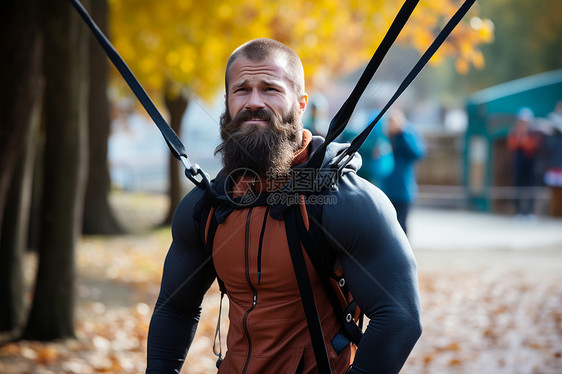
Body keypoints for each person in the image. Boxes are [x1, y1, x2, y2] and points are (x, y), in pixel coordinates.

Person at [146, 38, 422, 374]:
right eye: (242, 90)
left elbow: (400, 317)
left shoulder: (342, 200)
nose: (254, 102)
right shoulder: (209, 206)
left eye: (270, 89)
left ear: (300, 103)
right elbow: (176, 307)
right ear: (227, 101)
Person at [374, 109, 426, 235]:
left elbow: (417, 153)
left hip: (403, 191)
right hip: (386, 190)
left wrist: (402, 132)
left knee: (402, 226)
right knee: (386, 227)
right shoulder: (383, 139)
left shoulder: (407, 135)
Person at [506, 107, 540, 218]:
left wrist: (524, 140)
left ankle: (530, 212)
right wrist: (521, 139)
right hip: (518, 163)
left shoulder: (533, 132)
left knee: (530, 187)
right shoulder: (515, 132)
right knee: (518, 187)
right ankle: (518, 212)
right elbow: (512, 145)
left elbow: (532, 146)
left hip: (530, 163)